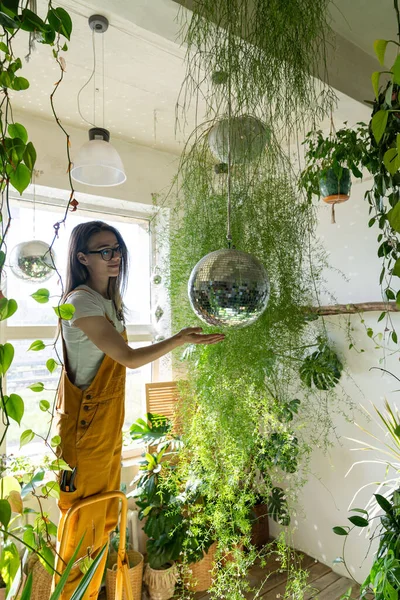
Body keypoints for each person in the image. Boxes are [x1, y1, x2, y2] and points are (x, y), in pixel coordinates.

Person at [54, 220, 225, 599]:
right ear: (82, 258)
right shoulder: (79, 301)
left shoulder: (108, 302)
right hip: (84, 430)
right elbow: (128, 358)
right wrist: (180, 339)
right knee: (80, 527)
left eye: (116, 249)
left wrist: (181, 339)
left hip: (105, 424)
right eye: (103, 251)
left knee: (101, 526)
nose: (114, 257)